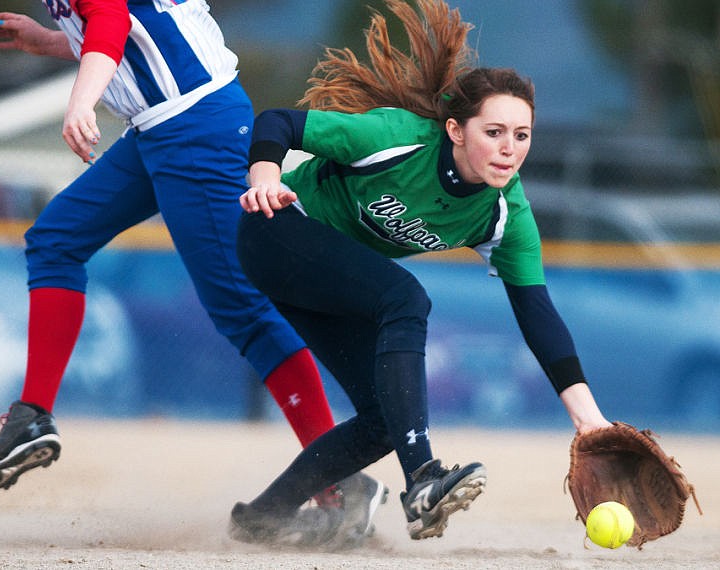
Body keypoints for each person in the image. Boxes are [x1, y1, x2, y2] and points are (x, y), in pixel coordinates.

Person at [0, 0, 386, 547]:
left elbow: (112, 19)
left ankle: (339, 481)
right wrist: (49, 40)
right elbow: (132, 31)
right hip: (160, 129)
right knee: (55, 239)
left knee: (247, 315)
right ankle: (33, 415)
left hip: (195, 126)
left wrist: (81, 103)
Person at [229, 0, 612, 543]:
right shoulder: (397, 138)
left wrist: (588, 419)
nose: (509, 149)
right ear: (456, 130)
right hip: (278, 229)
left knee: (384, 419)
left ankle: (261, 519)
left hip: (331, 279)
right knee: (405, 299)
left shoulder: (505, 214)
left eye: (521, 136)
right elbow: (276, 122)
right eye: (495, 132)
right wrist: (265, 175)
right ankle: (423, 481)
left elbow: (536, 311)